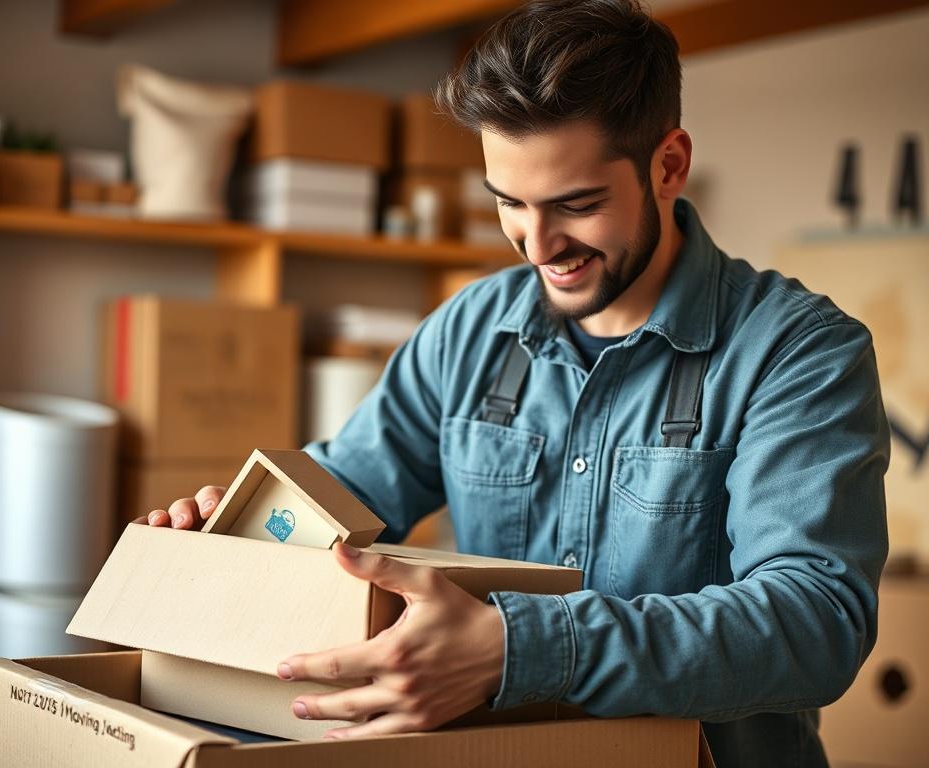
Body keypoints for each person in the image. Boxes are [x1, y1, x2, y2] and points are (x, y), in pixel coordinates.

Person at [138, 1, 890, 764]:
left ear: (668, 165)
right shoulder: (469, 331)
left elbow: (815, 621)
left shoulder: (799, 351)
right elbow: (337, 497)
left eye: (577, 205)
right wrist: (243, 534)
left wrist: (520, 648)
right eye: (510, 204)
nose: (539, 245)